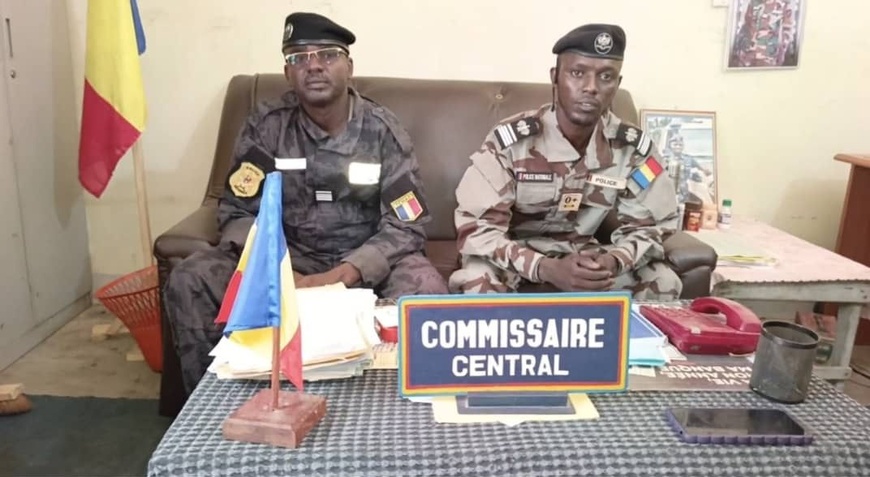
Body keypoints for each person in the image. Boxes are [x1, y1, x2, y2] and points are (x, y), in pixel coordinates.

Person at [164, 12, 447, 394]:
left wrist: (339, 277)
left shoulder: (383, 131)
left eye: (327, 55)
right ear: (287, 72)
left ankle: (397, 410)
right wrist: (274, 271)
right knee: (190, 278)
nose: (313, 66)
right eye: (299, 57)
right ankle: (210, 411)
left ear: (349, 66)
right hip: (284, 260)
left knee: (425, 290)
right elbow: (237, 211)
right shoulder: (267, 127)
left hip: (364, 263)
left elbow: (405, 225)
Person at [449, 23, 682, 301]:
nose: (591, 88)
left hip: (587, 258)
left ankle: (630, 346)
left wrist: (612, 262)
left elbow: (653, 227)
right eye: (577, 73)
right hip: (517, 258)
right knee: (478, 278)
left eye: (606, 76)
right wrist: (545, 268)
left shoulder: (632, 148)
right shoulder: (512, 141)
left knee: (663, 280)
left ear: (617, 86)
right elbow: (478, 229)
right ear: (555, 78)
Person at [663, 132, 715, 205]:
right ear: (670, 146)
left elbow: (703, 170)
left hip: (684, 192)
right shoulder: (664, 159)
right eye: (675, 145)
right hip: (669, 192)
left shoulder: (688, 159)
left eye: (680, 145)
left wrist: (703, 173)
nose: (678, 147)